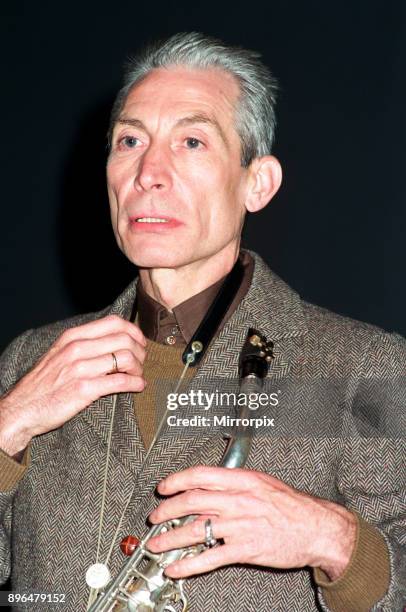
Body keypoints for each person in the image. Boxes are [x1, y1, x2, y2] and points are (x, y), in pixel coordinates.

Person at [0, 32, 404, 612]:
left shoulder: (361, 368)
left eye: (191, 141)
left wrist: (334, 541)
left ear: (256, 183)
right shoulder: (29, 360)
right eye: (129, 141)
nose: (149, 172)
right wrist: (8, 422)